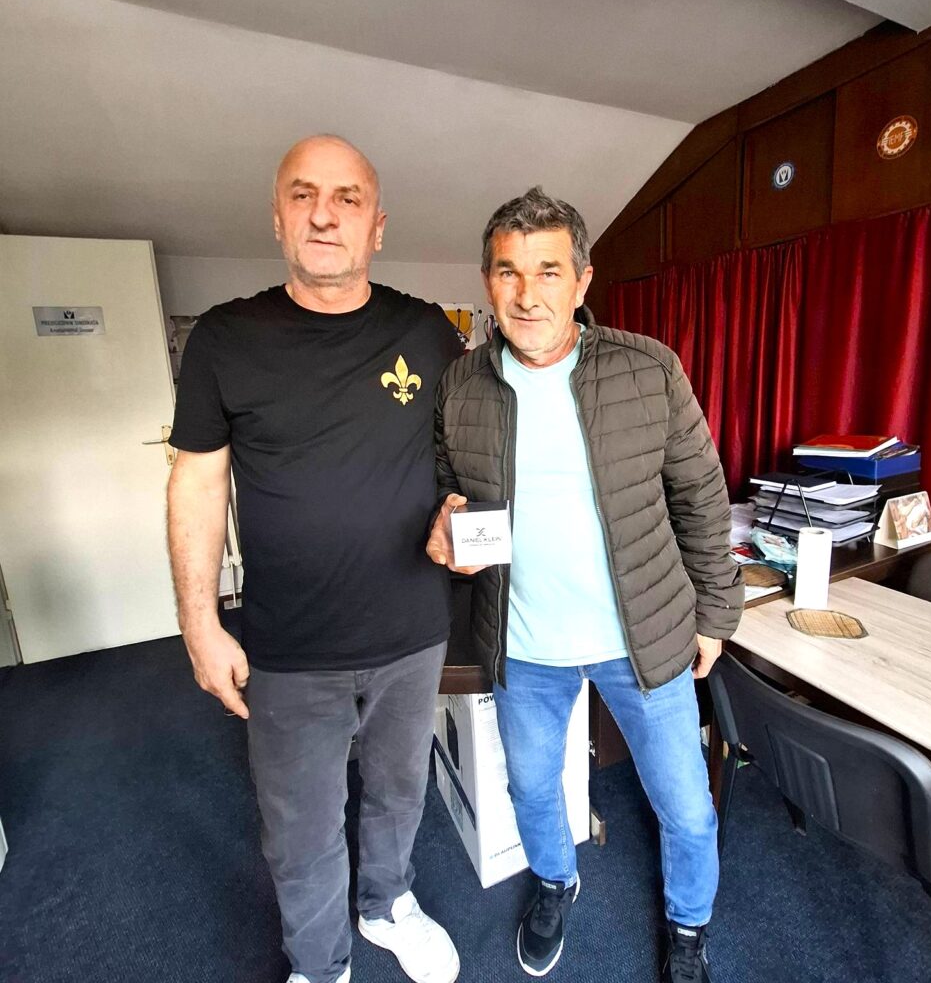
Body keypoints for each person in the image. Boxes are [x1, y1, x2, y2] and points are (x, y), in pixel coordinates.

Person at [167, 135, 463, 983]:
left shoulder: (427, 332)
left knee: (400, 793)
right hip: (290, 648)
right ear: (277, 218)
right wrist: (198, 624)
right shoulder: (225, 339)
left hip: (412, 634)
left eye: (346, 198)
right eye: (303, 196)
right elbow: (196, 482)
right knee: (300, 827)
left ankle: (387, 902)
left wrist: (462, 513)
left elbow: (463, 457)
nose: (324, 215)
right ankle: (320, 962)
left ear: (377, 225)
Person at [427, 187, 743, 983]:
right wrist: (443, 524)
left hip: (644, 639)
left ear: (582, 281)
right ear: (487, 280)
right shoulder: (460, 386)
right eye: (508, 272)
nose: (526, 294)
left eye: (547, 271)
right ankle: (554, 881)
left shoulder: (648, 368)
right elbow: (443, 489)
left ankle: (689, 927)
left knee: (686, 806)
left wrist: (716, 614)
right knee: (533, 788)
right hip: (524, 643)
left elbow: (701, 497)